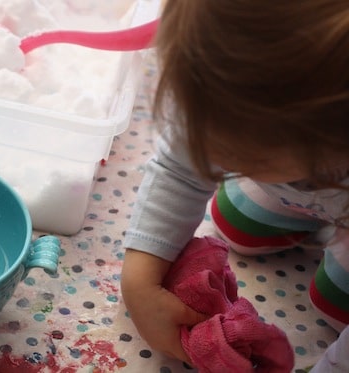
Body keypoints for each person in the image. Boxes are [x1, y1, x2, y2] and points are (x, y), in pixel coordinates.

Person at [120, 0, 349, 371]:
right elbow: (179, 171)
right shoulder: (213, 75)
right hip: (316, 182)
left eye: (241, 153)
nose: (212, 157)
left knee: (334, 300)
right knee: (236, 223)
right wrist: (140, 284)